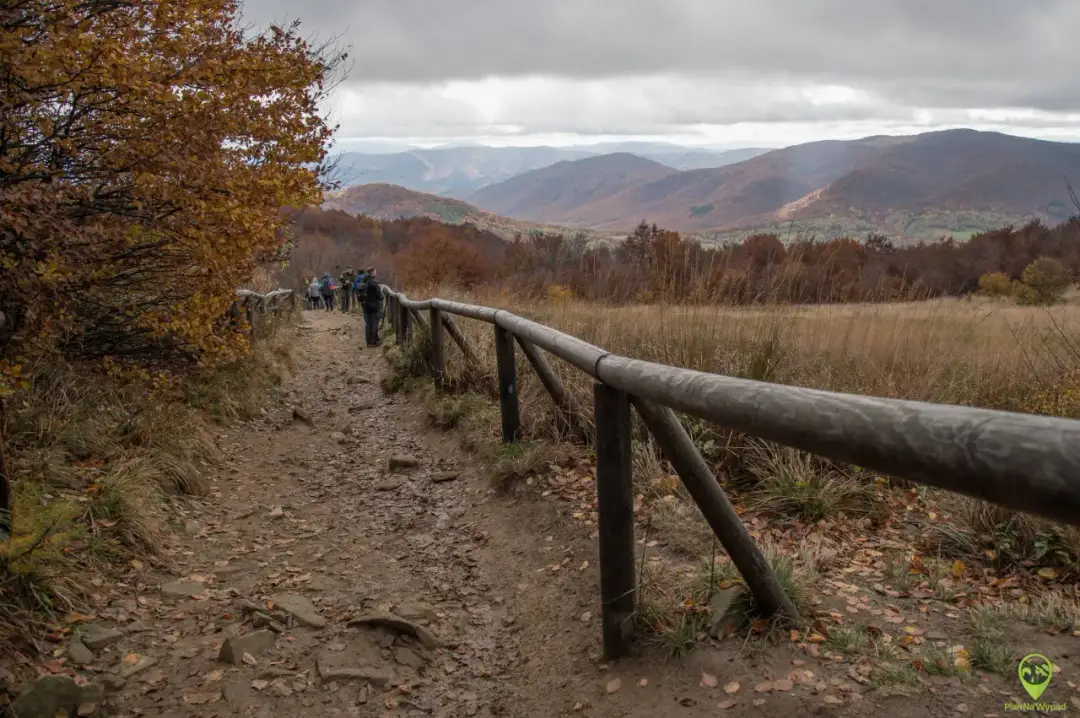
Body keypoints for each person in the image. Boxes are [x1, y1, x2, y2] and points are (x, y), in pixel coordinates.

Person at [361, 266, 383, 347]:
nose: (376, 273)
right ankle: (374, 341)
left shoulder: (364, 281)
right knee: (375, 323)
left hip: (366, 305)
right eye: (375, 271)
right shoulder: (374, 282)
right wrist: (382, 297)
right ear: (373, 272)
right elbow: (380, 295)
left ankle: (368, 342)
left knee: (368, 324)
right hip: (374, 306)